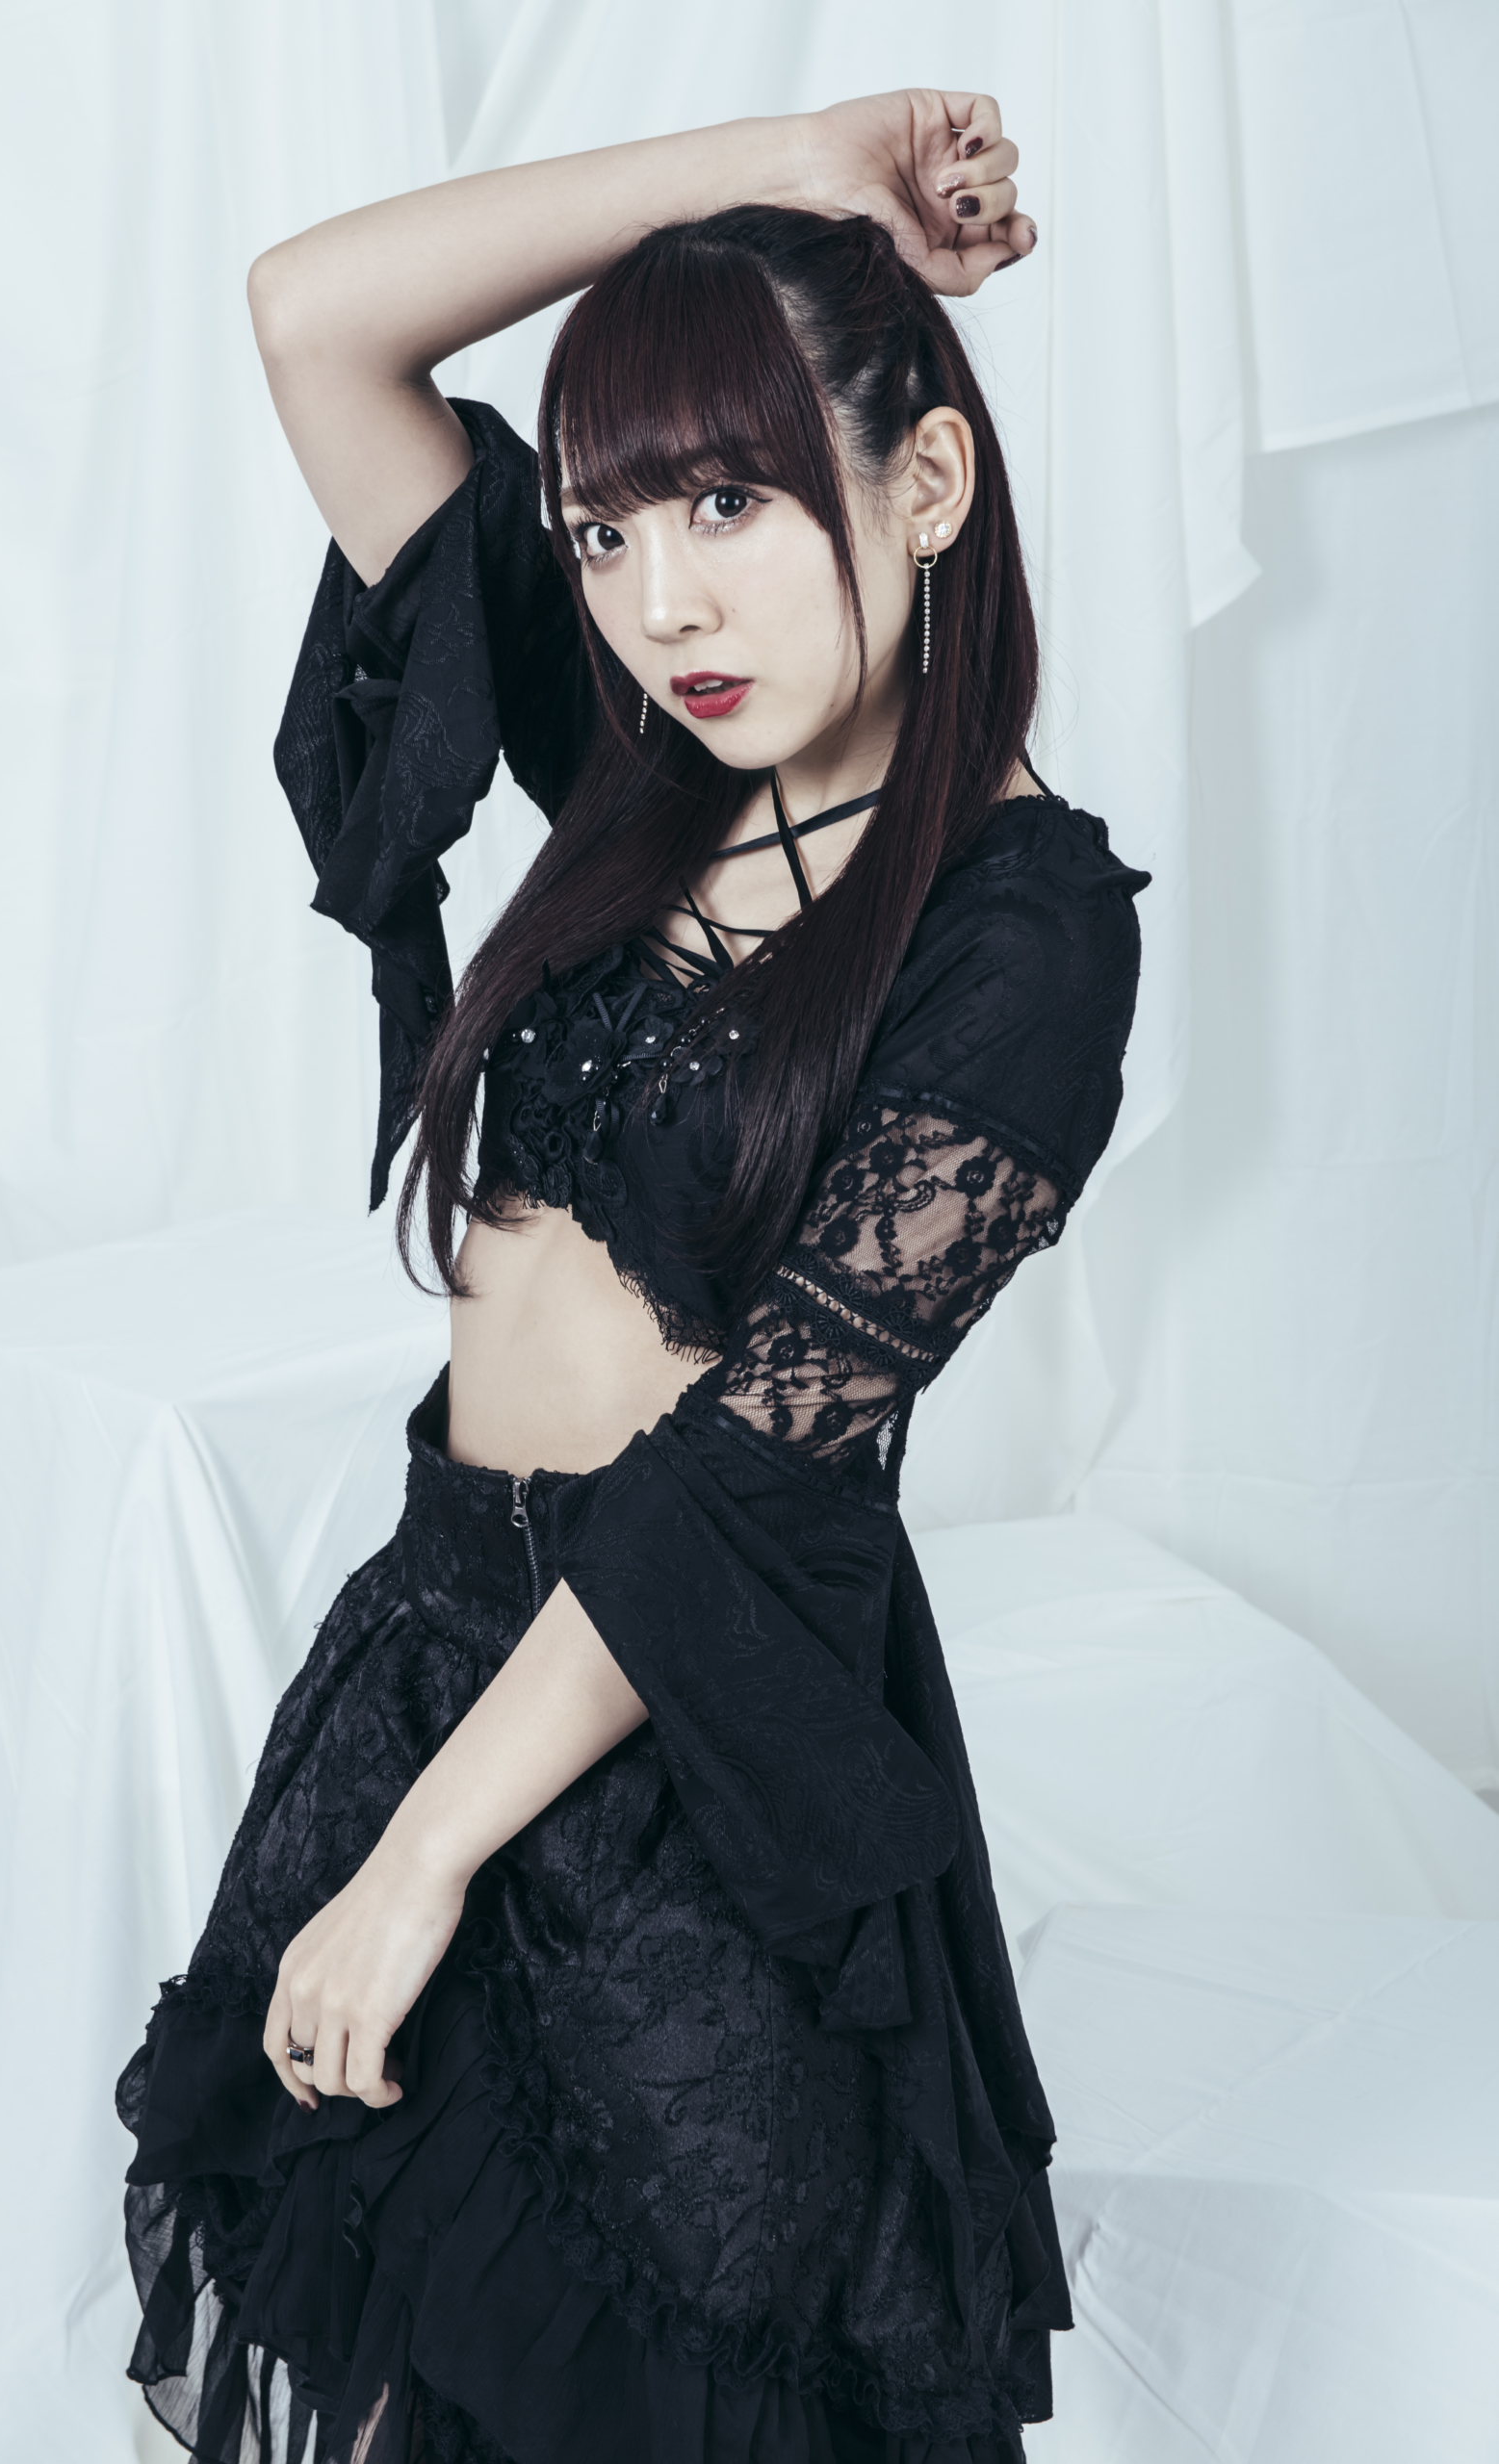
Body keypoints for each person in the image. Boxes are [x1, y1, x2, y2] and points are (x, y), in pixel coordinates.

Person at [116, 89, 1149, 2464]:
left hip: (689, 1743)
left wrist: (423, 1856)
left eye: (729, 503)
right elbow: (315, 315)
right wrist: (788, 168)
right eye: (603, 523)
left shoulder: (1019, 934)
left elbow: (744, 1480)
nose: (660, 598)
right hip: (430, 1638)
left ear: (925, 482)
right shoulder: (638, 743)